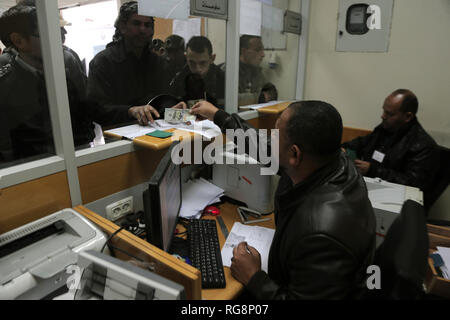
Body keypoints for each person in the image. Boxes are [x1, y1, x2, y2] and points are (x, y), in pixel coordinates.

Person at [190, 100, 376, 299]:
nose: (270, 138)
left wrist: (254, 277)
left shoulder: (320, 233)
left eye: (276, 134)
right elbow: (263, 147)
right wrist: (219, 116)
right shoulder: (328, 161)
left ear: (294, 154)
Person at [0, 5, 94, 163]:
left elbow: (85, 115)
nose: (59, 37)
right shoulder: (5, 85)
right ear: (19, 41)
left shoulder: (67, 66)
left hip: (78, 159)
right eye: (46, 32)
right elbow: (6, 149)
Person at [87, 1, 170, 127]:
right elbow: (96, 109)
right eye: (136, 23)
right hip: (118, 137)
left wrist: (173, 106)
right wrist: (130, 111)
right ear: (122, 26)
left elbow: (162, 99)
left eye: (147, 25)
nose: (143, 29)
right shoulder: (103, 62)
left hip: (156, 132)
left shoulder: (158, 62)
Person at [342, 89, 438, 196]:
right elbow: (362, 142)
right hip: (367, 187)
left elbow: (413, 183)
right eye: (383, 111)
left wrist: (373, 170)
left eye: (389, 114)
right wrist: (344, 148)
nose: (382, 116)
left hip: (393, 197)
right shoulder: (386, 128)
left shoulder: (423, 145)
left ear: (408, 116)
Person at [170, 36, 225, 109]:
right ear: (186, 58)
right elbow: (169, 108)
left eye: (202, 63)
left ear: (212, 58)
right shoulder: (179, 78)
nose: (197, 69)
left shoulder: (222, 79)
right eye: (192, 63)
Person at [235, 35, 277, 106]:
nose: (263, 54)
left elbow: (269, 92)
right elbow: (229, 99)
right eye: (258, 50)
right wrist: (259, 98)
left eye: (263, 50)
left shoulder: (257, 71)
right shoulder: (229, 70)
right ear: (244, 51)